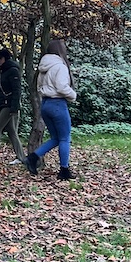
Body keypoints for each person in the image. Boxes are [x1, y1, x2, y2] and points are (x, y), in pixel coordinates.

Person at [23, 39, 77, 180]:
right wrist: (73, 95)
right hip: (58, 104)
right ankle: (64, 171)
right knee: (65, 138)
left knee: (56, 138)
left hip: (45, 104)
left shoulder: (43, 67)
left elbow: (39, 87)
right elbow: (61, 87)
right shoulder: (60, 66)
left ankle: (33, 158)